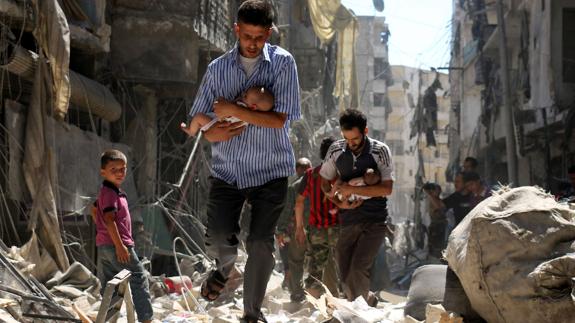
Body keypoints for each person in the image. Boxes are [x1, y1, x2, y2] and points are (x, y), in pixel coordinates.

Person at [183, 1, 301, 321]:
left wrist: (235, 111)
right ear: (236, 30)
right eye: (246, 35)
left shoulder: (282, 64)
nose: (252, 43)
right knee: (220, 237)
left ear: (268, 34)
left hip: (271, 170)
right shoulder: (217, 69)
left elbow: (279, 120)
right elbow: (204, 126)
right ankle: (223, 269)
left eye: (259, 37)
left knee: (261, 242)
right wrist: (214, 131)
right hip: (228, 171)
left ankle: (251, 313)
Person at [320, 109, 394, 307]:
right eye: (346, 139)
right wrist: (338, 201)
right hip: (349, 219)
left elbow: (387, 189)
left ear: (365, 131)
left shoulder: (380, 151)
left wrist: (350, 188)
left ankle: (358, 313)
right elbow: (325, 182)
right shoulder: (336, 150)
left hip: (375, 220)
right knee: (344, 271)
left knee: (358, 268)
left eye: (355, 139)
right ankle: (367, 298)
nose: (351, 144)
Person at [92, 150, 153, 323]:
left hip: (105, 245)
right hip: (116, 245)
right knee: (138, 277)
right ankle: (146, 319)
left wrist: (102, 232)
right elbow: (109, 220)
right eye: (114, 169)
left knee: (112, 284)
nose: (119, 173)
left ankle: (109, 319)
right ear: (103, 171)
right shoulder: (110, 193)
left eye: (122, 169)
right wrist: (120, 245)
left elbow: (94, 209)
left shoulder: (109, 192)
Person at [293, 137, 340, 300]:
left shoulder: (311, 174)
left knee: (315, 269)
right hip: (338, 229)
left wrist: (299, 228)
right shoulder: (342, 174)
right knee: (342, 266)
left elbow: (299, 201)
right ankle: (340, 302)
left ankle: (316, 306)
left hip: (317, 229)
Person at [276, 157, 311, 300]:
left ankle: (297, 291)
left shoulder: (294, 187)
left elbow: (287, 209)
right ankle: (315, 290)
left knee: (295, 260)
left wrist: (280, 230)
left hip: (298, 228)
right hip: (317, 228)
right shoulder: (318, 183)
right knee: (317, 259)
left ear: (297, 170)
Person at [181, 86, 274, 137]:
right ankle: (196, 127)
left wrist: (223, 103)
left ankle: (191, 131)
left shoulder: (242, 109)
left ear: (253, 107)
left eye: (245, 96)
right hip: (216, 124)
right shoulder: (250, 118)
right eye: (245, 93)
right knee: (200, 119)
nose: (243, 94)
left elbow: (225, 114)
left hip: (216, 124)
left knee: (198, 117)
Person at [422, 182, 447, 259]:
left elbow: (439, 207)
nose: (439, 191)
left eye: (439, 190)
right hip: (435, 226)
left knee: (439, 247)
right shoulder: (430, 199)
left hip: (439, 226)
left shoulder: (436, 200)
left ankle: (437, 259)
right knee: (433, 246)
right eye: (437, 190)